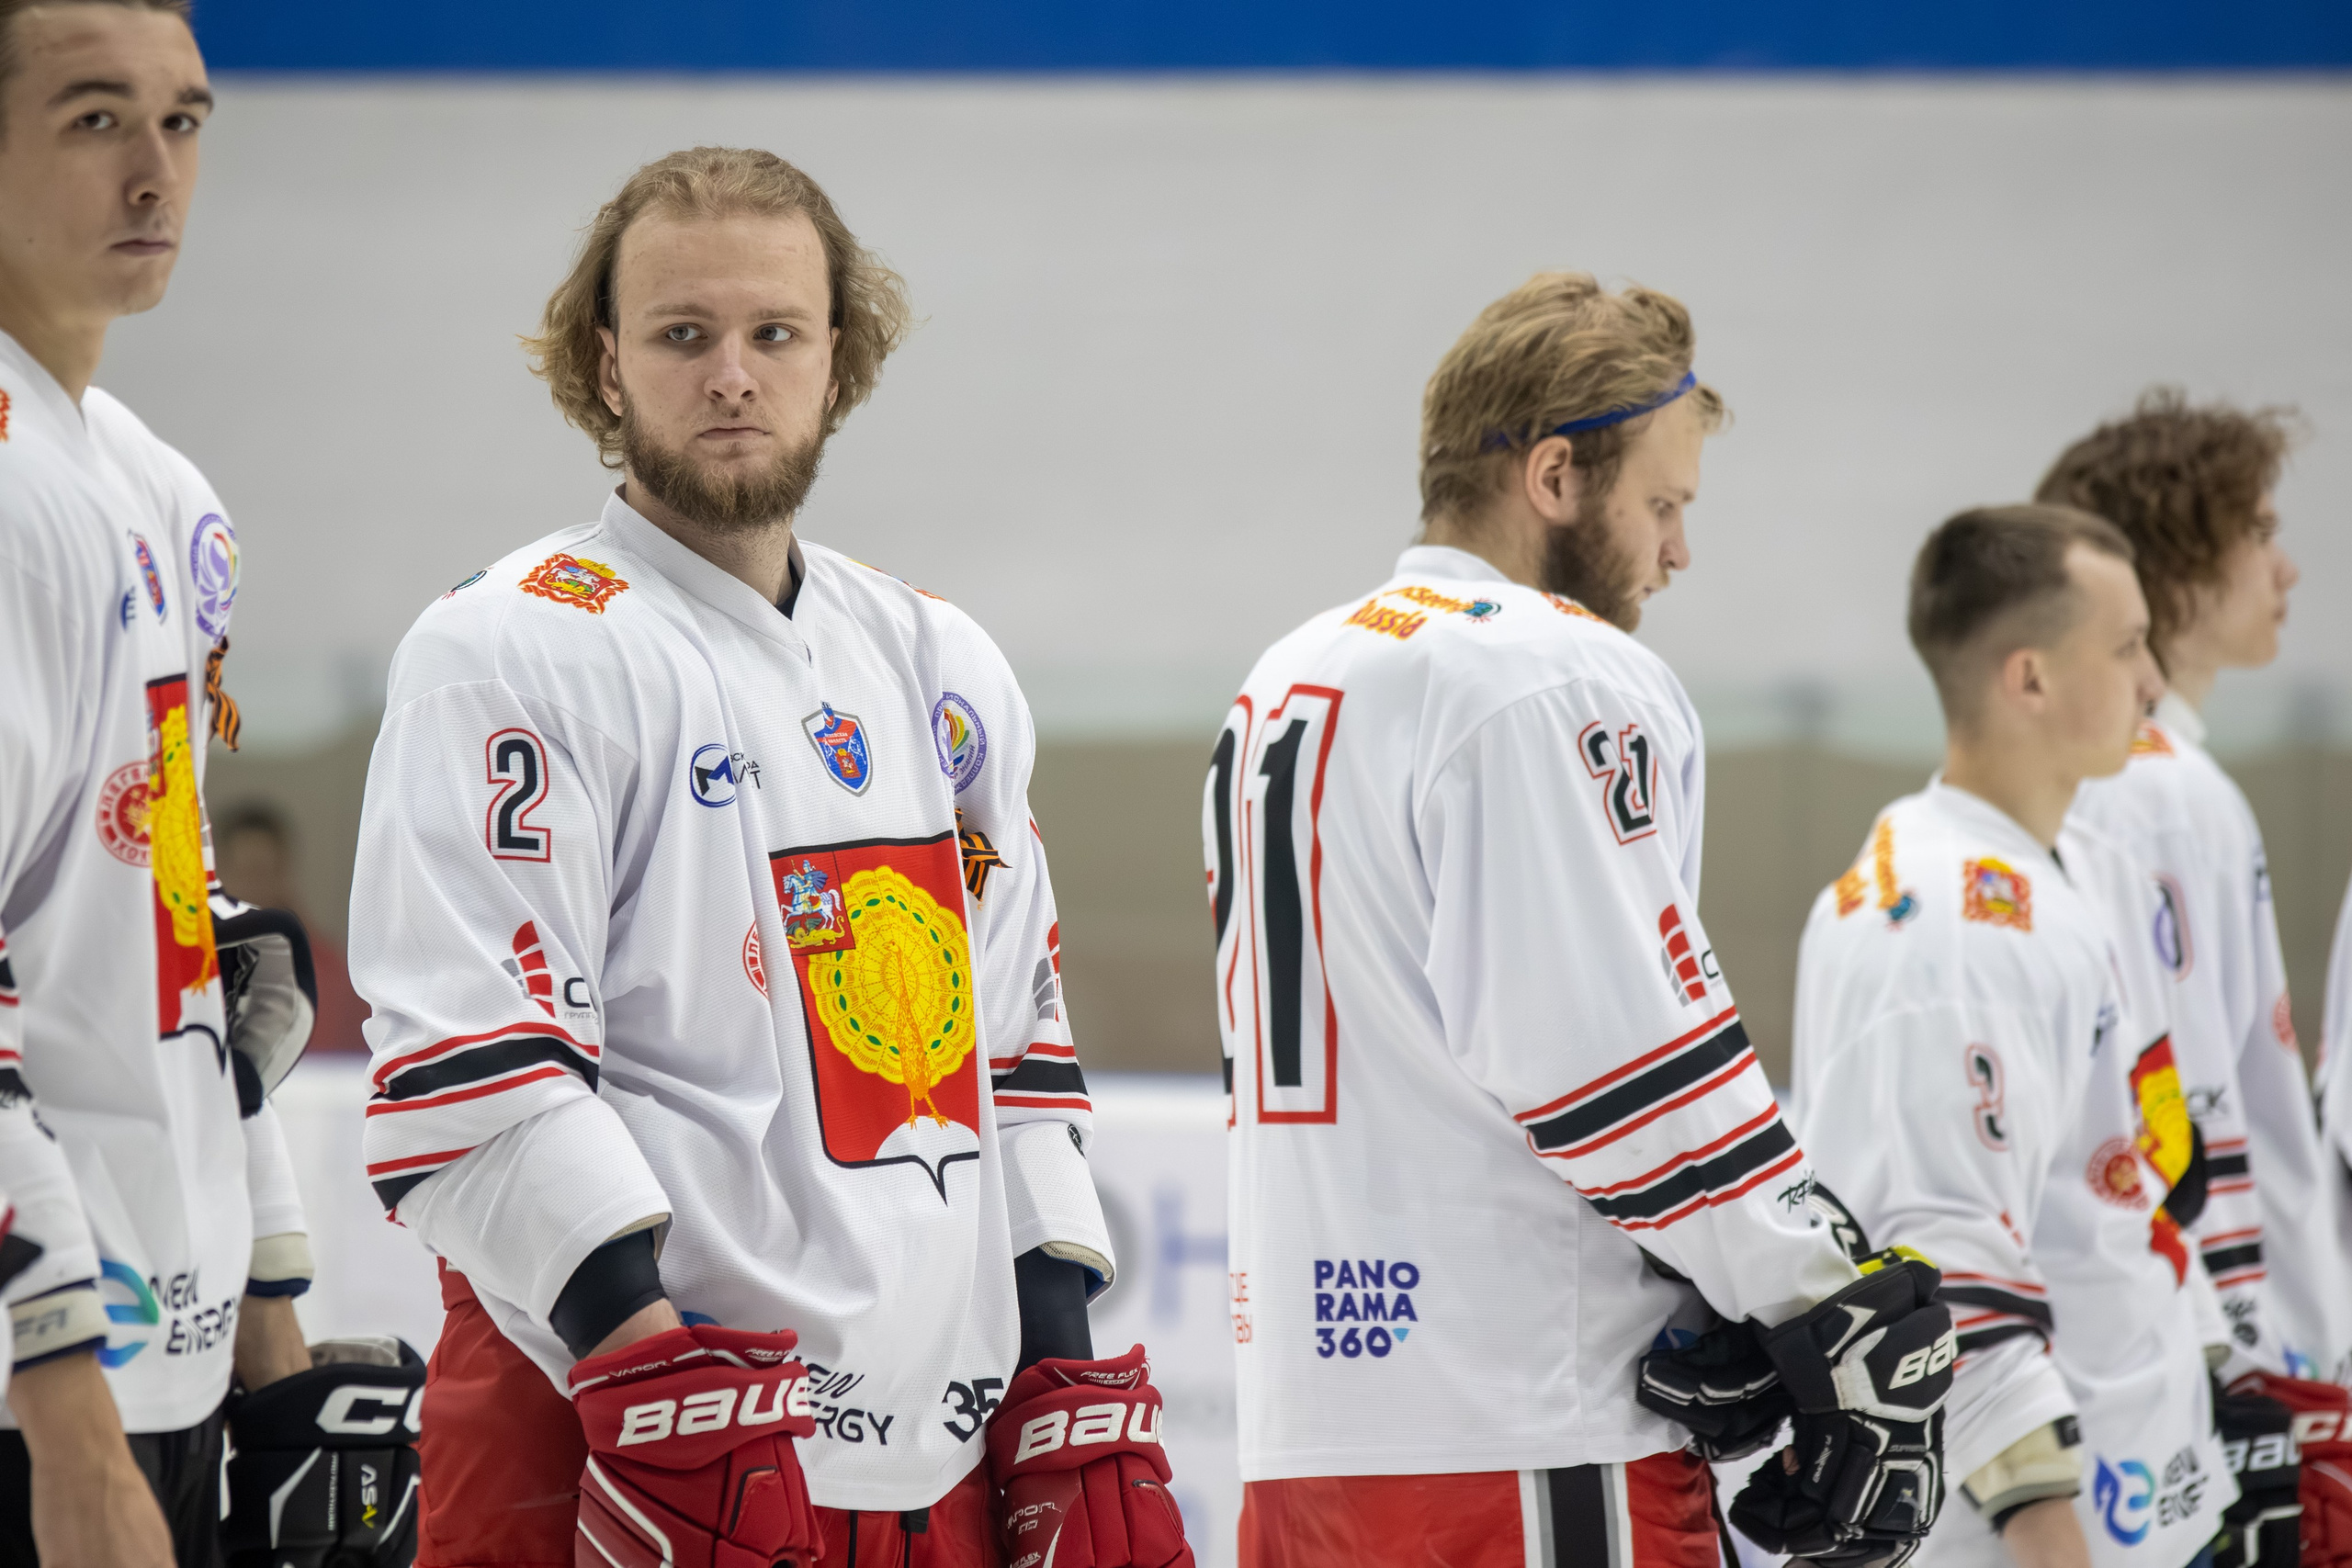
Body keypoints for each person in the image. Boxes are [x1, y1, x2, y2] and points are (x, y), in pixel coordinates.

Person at [347, 146, 1193, 1568]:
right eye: (684, 335)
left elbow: (1010, 1047)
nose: (731, 374)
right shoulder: (511, 646)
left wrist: (1057, 1369)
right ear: (605, 365)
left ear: (836, 357)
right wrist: (654, 1367)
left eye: (772, 333)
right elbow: (469, 1062)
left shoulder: (940, 661)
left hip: (939, 1450)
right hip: (609, 1432)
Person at [1206, 273, 1954, 1568]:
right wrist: (1819, 1284)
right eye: (1662, 504)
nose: (1678, 552)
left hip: (1311, 1446)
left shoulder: (1288, 675)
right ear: (1554, 477)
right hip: (1529, 1430)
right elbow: (1612, 1050)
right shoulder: (1542, 669)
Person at [0, 3, 354, 1564]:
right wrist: (65, 1416)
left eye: (185, 121)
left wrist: (271, 1323)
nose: (155, 172)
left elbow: (180, 927)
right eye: (94, 120)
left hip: (172, 1351)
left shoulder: (155, 484)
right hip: (39, 1394)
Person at [1790, 505, 2233, 1568]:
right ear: (2027, 677)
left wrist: (2215, 1369)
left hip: (2136, 1487)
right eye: (2125, 647)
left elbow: (2117, 1179)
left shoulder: (2046, 875)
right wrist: (2043, 1529)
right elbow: (1944, 1262)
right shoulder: (1951, 923)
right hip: (2035, 1533)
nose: (2149, 681)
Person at [2043, 390, 2352, 1384]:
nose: (2286, 567)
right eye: (2258, 533)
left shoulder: (2141, 779)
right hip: (2242, 1354)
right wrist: (2256, 1364)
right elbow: (2192, 1101)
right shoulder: (2159, 791)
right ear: (2171, 570)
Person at [214, 804, 370, 1052]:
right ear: (220, 873)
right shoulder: (192, 969)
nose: (254, 885)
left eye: (264, 871)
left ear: (284, 873)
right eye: (245, 870)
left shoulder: (334, 975)